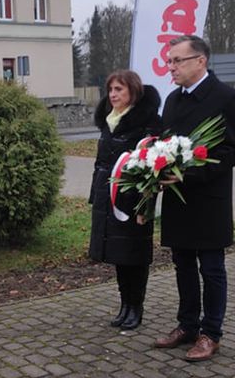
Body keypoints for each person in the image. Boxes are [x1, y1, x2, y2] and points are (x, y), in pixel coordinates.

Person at [151, 35, 235, 362]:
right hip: (178, 199)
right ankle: (188, 325)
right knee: (183, 265)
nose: (171, 67)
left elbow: (232, 151)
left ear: (200, 61)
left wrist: (190, 175)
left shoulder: (227, 98)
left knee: (211, 268)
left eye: (177, 60)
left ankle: (211, 333)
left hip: (209, 199)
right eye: (169, 61)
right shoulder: (172, 100)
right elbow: (166, 144)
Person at [88, 70, 162, 330]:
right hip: (108, 198)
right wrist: (95, 196)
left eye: (119, 89)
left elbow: (153, 169)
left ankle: (136, 307)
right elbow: (101, 163)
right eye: (110, 89)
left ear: (133, 90)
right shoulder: (108, 120)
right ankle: (124, 305)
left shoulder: (148, 122)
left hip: (134, 201)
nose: (112, 94)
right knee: (119, 255)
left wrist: (145, 206)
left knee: (135, 255)